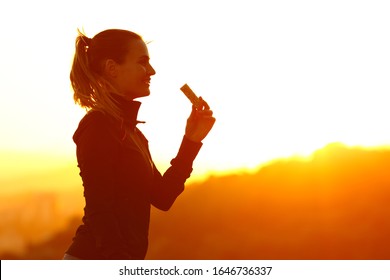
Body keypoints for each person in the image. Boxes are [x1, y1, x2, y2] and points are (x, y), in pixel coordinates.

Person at [63, 29, 215, 260]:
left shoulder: (132, 133)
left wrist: (191, 141)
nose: (152, 71)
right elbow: (99, 212)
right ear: (112, 68)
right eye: (143, 63)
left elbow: (163, 197)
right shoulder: (98, 126)